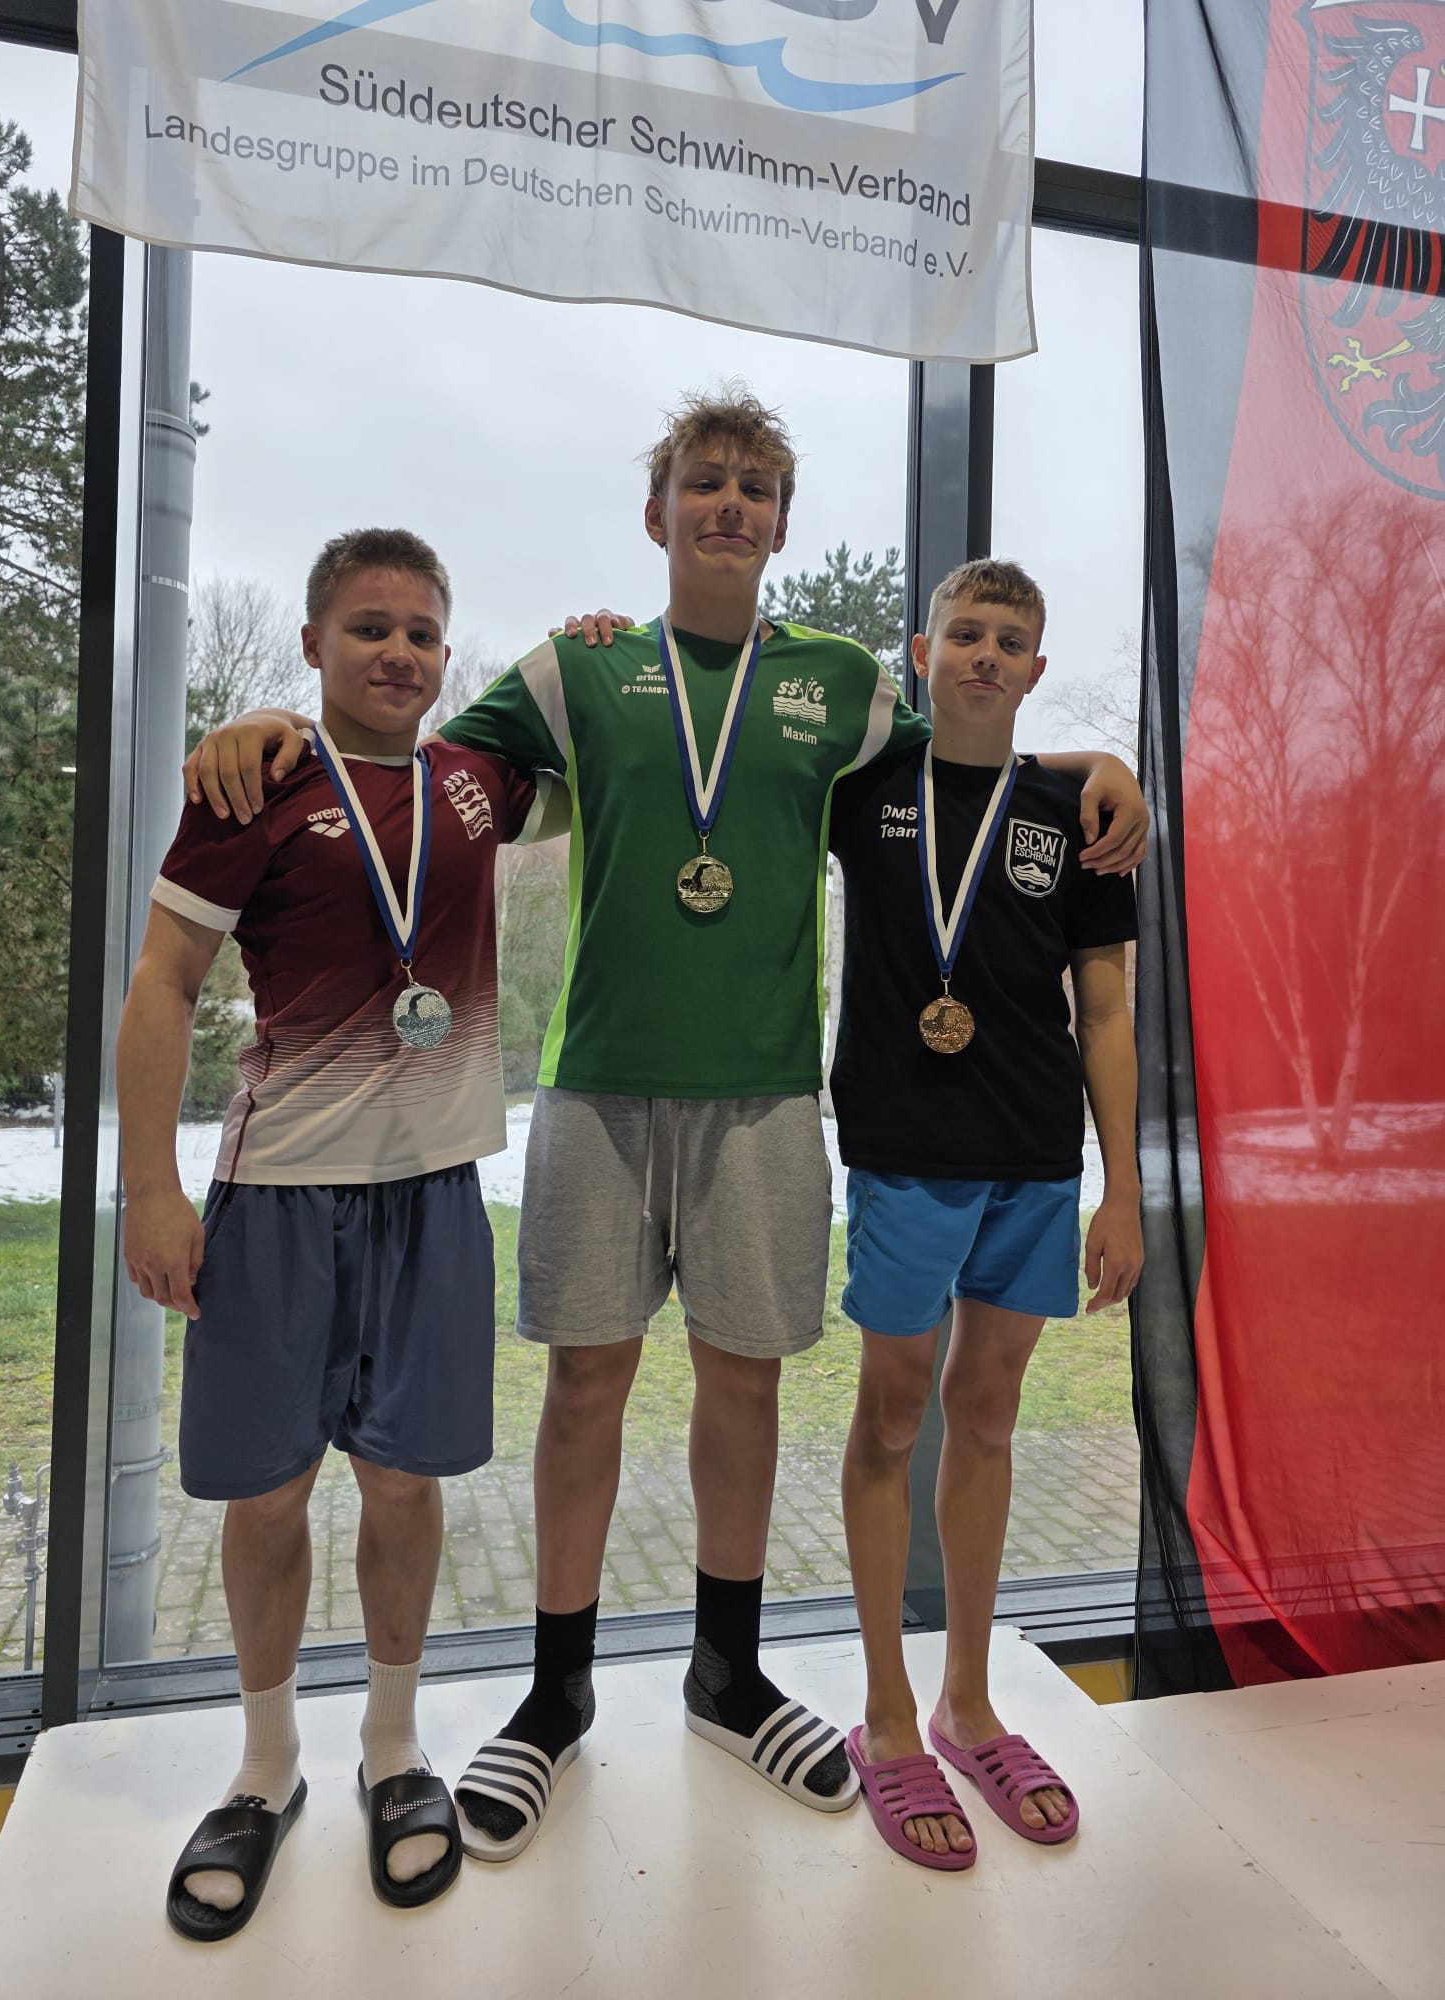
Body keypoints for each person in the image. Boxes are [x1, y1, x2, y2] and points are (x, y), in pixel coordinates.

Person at [182, 388, 1149, 1863]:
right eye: (706, 482)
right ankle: (557, 1696)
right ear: (658, 513)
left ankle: (727, 1676)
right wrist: (275, 722)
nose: (730, 505)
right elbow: (405, 748)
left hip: (765, 1097)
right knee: (586, 1386)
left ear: (781, 524)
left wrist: (1098, 768)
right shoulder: (578, 670)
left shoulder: (844, 685)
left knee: (743, 1389)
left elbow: (974, 753)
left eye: (757, 488)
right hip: (597, 1089)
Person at [119, 528, 556, 1938]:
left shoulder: (481, 784)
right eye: (369, 627)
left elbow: (622, 735)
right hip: (281, 1193)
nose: (398, 652)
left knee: (405, 1484)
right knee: (268, 1493)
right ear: (313, 645)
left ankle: (391, 1745)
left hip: (437, 1190)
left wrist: (608, 633)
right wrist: (150, 1188)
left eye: (423, 632)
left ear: (446, 654)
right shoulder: (252, 783)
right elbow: (162, 981)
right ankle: (264, 1767)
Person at [829, 558, 1142, 1870]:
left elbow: (1107, 1007)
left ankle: (968, 1704)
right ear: (921, 651)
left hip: (1035, 1157)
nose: (986, 656)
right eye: (966, 633)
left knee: (993, 1415)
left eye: (1012, 642)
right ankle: (886, 1718)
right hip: (906, 1153)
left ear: (1036, 668)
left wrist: (1123, 1186)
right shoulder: (861, 788)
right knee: (894, 1415)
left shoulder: (1079, 814)